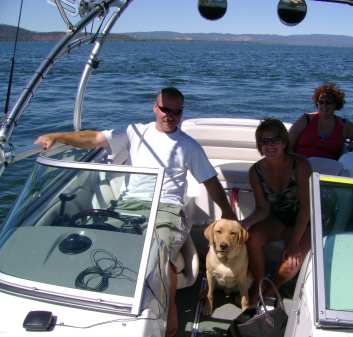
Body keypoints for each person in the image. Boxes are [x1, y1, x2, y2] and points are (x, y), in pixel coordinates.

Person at [34, 87, 237, 337]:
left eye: (176, 111)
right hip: (129, 204)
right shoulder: (134, 132)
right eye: (165, 109)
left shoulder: (188, 146)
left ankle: (170, 308)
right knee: (101, 238)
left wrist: (228, 212)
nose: (170, 116)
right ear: (155, 107)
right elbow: (93, 139)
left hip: (168, 208)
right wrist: (58, 136)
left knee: (160, 253)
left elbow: (210, 182)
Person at [240, 118, 311, 304]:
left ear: (284, 142)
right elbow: (263, 208)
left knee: (288, 266)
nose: (270, 145)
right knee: (252, 238)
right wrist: (245, 223)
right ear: (259, 145)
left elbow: (306, 206)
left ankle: (271, 290)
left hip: (305, 220)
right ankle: (258, 283)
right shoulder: (255, 171)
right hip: (277, 219)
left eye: (275, 140)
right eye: (264, 141)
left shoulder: (301, 165)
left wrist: (294, 242)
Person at [289, 82, 353, 160]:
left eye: (328, 102)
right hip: (302, 167)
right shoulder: (306, 119)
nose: (324, 106)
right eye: (320, 102)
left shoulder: (343, 125)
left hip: (329, 171)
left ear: (336, 104)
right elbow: (288, 146)